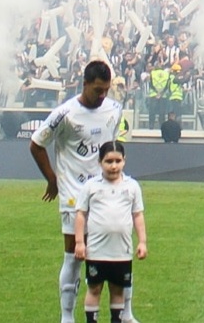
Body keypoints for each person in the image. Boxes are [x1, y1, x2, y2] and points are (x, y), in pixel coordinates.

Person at [33, 59, 124, 323]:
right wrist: (52, 179)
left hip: (105, 196)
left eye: (106, 89)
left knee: (113, 255)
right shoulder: (65, 114)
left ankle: (122, 313)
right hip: (74, 194)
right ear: (84, 84)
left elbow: (110, 148)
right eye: (97, 89)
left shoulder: (114, 110)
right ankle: (66, 317)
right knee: (73, 254)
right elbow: (36, 144)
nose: (102, 95)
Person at [73, 141, 147, 323]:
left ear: (124, 161)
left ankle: (117, 320)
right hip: (97, 250)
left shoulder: (132, 186)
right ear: (100, 162)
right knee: (94, 288)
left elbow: (138, 215)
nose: (113, 166)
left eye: (117, 161)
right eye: (108, 161)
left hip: (121, 251)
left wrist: (142, 242)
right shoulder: (91, 186)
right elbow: (81, 214)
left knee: (118, 289)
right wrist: (79, 243)